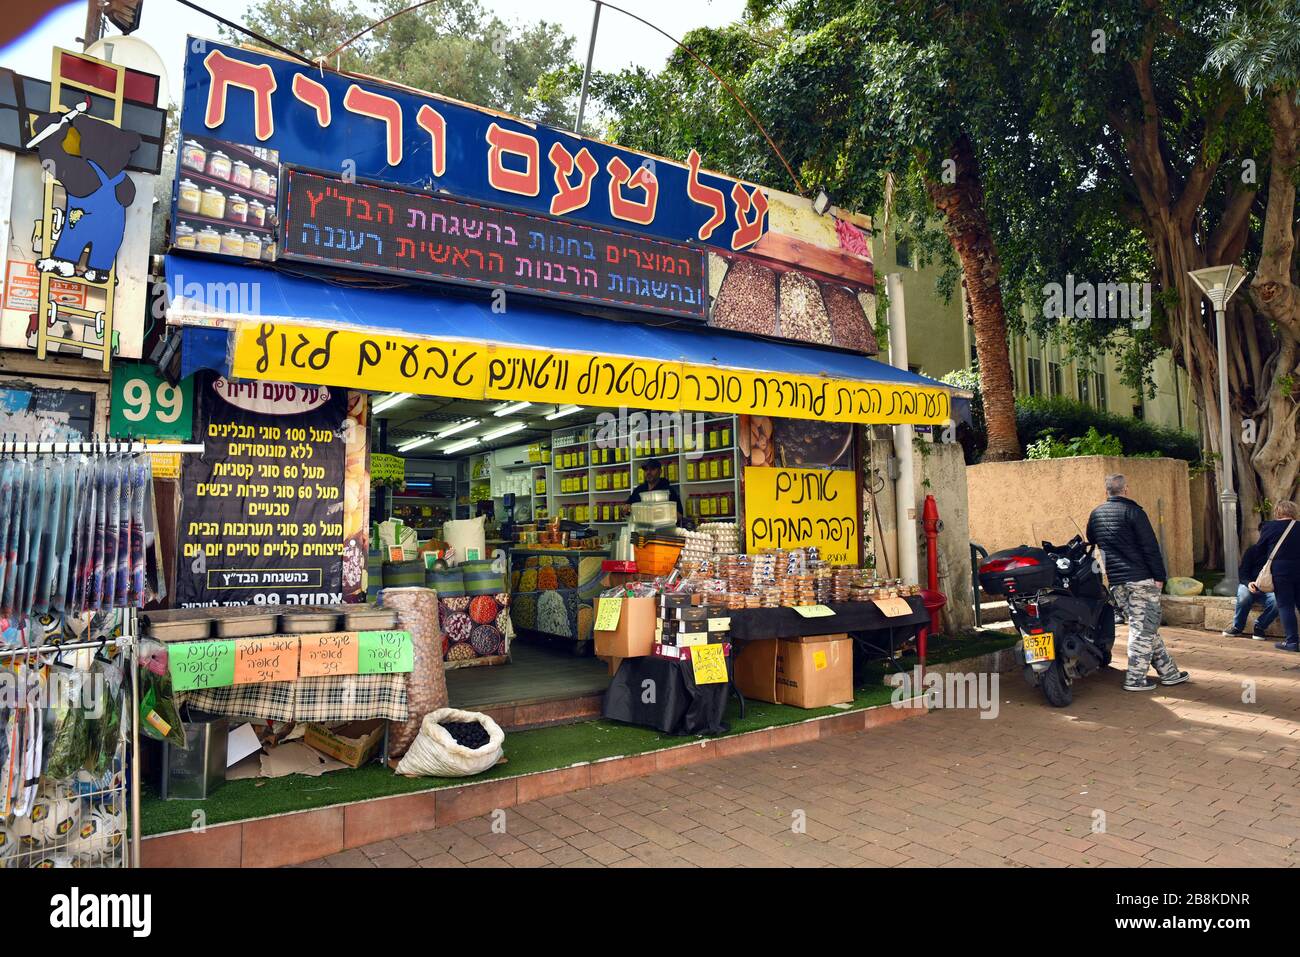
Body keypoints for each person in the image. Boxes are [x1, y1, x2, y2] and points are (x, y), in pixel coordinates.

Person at [1086, 473, 1189, 691]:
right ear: (1126, 490)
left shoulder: (1096, 515)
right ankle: (1135, 680)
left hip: (1117, 583)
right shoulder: (1134, 512)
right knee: (1142, 630)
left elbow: (1092, 540)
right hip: (1141, 580)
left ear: (1107, 492)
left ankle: (1170, 673)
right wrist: (1160, 577)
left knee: (1145, 627)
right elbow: (1150, 548)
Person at [1247, 500, 1300, 653]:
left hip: (1280, 571)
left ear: (1277, 512)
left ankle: (1292, 641)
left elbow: (1260, 550)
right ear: (1293, 512)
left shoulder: (1269, 527)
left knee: (1285, 605)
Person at [1222, 528, 1281, 639]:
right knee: (1244, 597)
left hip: (1268, 588)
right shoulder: (1252, 551)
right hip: (1249, 584)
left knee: (1277, 602)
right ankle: (1237, 627)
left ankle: (1259, 626)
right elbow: (1243, 572)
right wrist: (1249, 583)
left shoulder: (1278, 554)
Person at [627, 457, 683, 522]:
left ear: (660, 471)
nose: (648, 472)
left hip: (662, 530)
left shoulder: (668, 491)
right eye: (646, 470)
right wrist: (626, 509)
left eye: (652, 469)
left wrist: (663, 511)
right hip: (642, 529)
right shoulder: (638, 490)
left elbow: (680, 516)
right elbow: (627, 507)